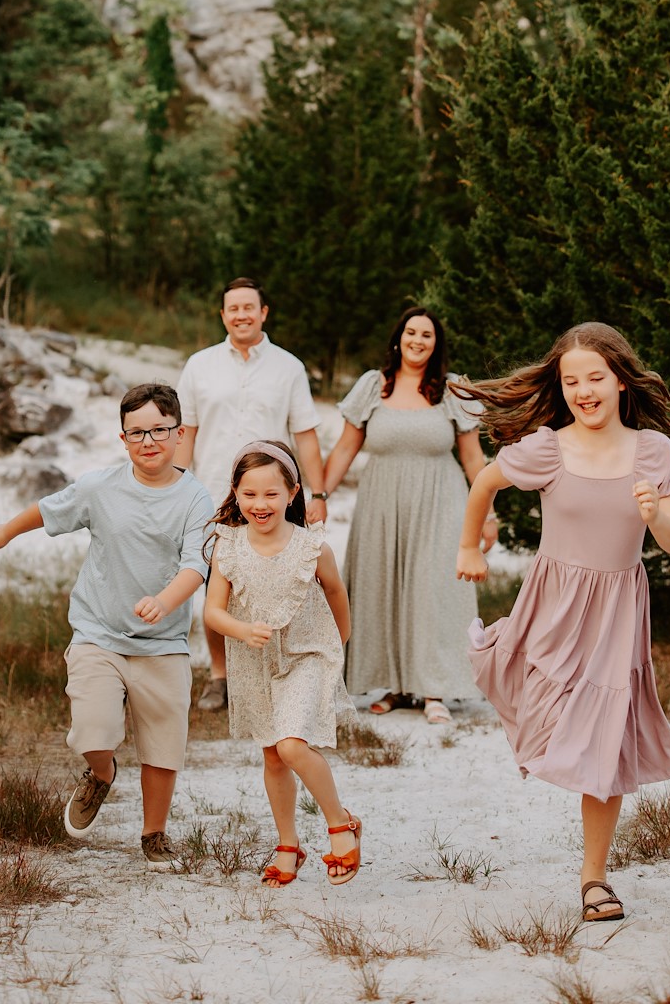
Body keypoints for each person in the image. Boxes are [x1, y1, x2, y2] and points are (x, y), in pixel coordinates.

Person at [454, 321, 670, 926]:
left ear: (620, 380)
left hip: (616, 613)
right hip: (554, 607)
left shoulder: (654, 453)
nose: (584, 391)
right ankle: (558, 760)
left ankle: (594, 878)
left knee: (605, 739)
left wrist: (655, 515)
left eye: (595, 378)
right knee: (546, 715)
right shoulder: (548, 449)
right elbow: (485, 482)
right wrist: (469, 547)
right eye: (571, 381)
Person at [0, 382, 212, 872]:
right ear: (123, 438)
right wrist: (6, 531)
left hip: (163, 642)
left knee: (164, 744)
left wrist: (165, 601)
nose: (149, 441)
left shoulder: (196, 498)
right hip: (98, 632)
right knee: (93, 729)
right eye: (137, 433)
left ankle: (154, 834)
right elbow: (50, 508)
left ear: (179, 434)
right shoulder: (100, 487)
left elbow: (197, 564)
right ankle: (102, 773)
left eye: (159, 430)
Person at [204, 441, 361, 886]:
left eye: (271, 494)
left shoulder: (312, 547)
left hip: (306, 655)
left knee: (292, 746)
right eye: (250, 494)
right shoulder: (228, 547)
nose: (260, 504)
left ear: (292, 493)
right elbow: (212, 612)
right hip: (254, 661)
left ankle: (341, 824)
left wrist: (336, 645)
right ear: (235, 492)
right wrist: (241, 630)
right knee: (273, 756)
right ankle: (288, 843)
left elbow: (337, 594)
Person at [322, 307, 490, 722]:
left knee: (434, 591)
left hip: (441, 501)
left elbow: (474, 459)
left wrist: (488, 515)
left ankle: (434, 690)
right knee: (382, 588)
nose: (417, 340)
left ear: (436, 345)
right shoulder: (372, 386)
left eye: (427, 335)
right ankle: (395, 686)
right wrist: (319, 494)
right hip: (381, 503)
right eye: (411, 332)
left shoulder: (452, 390)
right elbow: (345, 449)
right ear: (398, 339)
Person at [176, 277, 326, 712]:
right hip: (213, 496)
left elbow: (305, 434)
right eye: (233, 308)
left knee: (283, 581)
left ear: (263, 313)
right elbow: (187, 432)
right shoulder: (199, 365)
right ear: (223, 315)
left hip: (274, 498)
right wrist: (179, 486)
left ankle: (287, 670)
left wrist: (318, 493)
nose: (241, 315)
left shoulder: (289, 367)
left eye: (249, 307)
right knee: (217, 585)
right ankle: (220, 676)